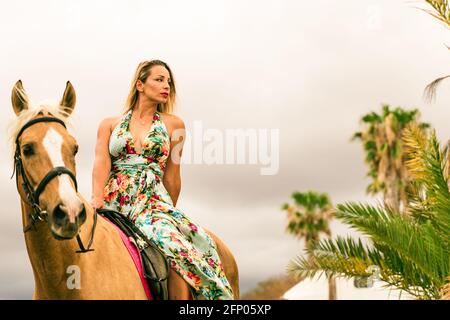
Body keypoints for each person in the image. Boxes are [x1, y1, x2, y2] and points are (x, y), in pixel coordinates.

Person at [90, 60, 234, 300]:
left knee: (174, 246)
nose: (166, 85)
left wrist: (169, 212)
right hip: (114, 200)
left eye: (168, 81)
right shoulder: (109, 124)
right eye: (159, 79)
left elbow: (173, 175)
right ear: (140, 85)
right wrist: (96, 199)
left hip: (152, 202)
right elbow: (101, 164)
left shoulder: (174, 125)